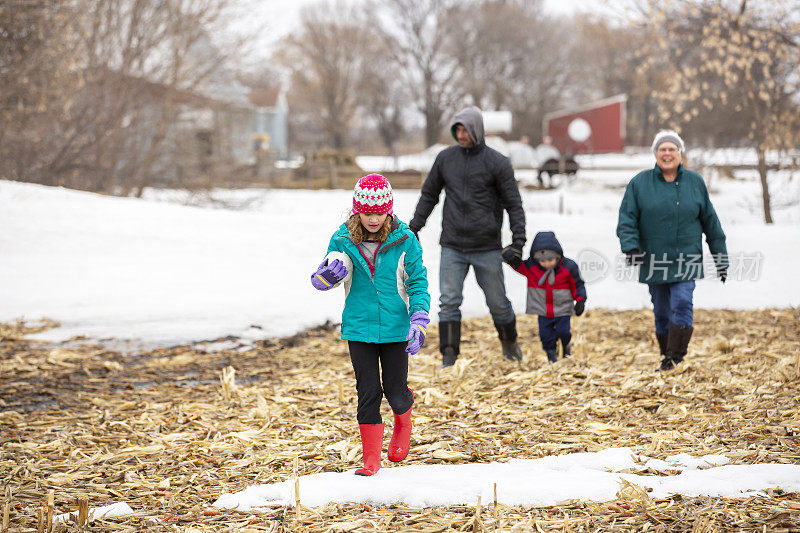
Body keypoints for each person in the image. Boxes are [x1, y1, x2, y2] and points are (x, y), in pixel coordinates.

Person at [311, 174, 430, 476]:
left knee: (394, 388)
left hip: (395, 330)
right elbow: (328, 273)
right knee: (367, 390)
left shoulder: (406, 240)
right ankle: (371, 460)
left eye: (378, 212)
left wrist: (418, 319)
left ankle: (403, 419)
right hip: (359, 328)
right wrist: (325, 276)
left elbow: (417, 283)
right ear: (356, 211)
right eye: (366, 212)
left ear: (388, 210)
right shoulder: (342, 240)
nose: (373, 218)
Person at [409, 106, 526, 368]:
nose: (461, 135)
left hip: (487, 247)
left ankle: (510, 345)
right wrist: (414, 227)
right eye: (457, 130)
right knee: (448, 302)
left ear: (477, 130)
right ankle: (448, 358)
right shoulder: (445, 159)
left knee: (498, 303)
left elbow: (514, 204)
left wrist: (518, 242)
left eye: (466, 130)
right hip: (453, 246)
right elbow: (429, 195)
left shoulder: (497, 162)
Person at [616, 130, 727, 371]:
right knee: (662, 310)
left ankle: (676, 356)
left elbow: (711, 222)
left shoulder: (695, 182)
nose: (667, 153)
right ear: (655, 153)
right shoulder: (640, 183)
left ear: (680, 153)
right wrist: (631, 248)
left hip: (687, 257)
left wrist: (721, 259)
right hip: (654, 258)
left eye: (672, 149)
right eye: (662, 149)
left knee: (683, 302)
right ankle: (667, 354)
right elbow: (627, 219)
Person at [503, 231, 586, 362]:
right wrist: (509, 258)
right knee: (545, 335)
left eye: (550, 260)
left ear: (558, 256)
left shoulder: (569, 267)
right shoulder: (532, 267)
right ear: (536, 258)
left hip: (562, 309)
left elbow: (578, 284)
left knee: (563, 332)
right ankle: (551, 355)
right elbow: (517, 266)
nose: (546, 264)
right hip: (543, 311)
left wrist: (580, 300)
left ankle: (565, 348)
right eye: (542, 261)